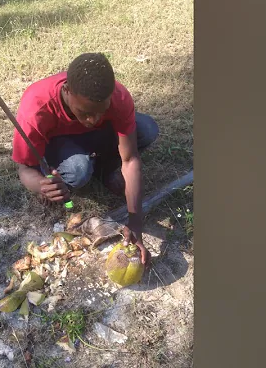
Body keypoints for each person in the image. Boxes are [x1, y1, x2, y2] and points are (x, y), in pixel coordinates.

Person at [11, 52, 159, 266]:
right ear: (67, 91)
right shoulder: (36, 106)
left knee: (147, 129)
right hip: (59, 141)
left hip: (94, 138)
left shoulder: (119, 97)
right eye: (85, 112)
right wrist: (41, 186)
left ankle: (105, 169)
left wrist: (135, 222)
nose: (93, 119)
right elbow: (25, 169)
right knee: (78, 170)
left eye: (102, 111)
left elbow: (130, 160)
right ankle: (82, 167)